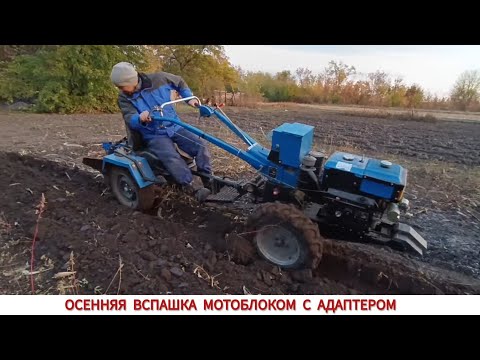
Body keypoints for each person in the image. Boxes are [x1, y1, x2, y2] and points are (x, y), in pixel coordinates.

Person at [110, 62, 212, 202]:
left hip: (174, 125)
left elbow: (179, 82)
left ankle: (208, 181)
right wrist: (139, 118)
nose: (121, 89)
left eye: (121, 86)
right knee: (171, 157)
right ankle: (192, 188)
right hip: (153, 134)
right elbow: (129, 117)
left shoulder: (159, 79)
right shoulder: (124, 98)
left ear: (131, 81)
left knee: (200, 145)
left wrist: (190, 98)